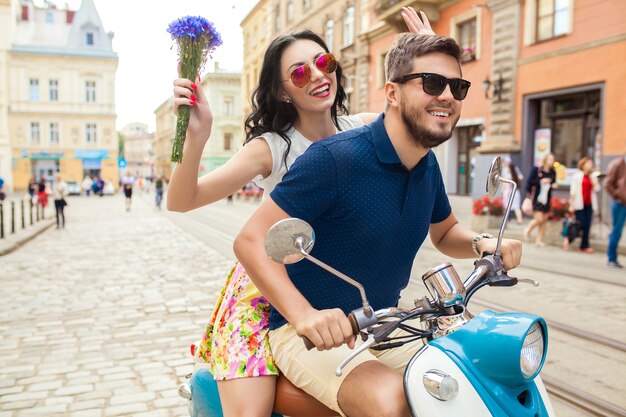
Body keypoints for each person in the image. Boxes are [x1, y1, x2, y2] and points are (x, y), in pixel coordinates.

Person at [233, 33, 522, 417]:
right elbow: (250, 240)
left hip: (388, 323)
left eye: (458, 86)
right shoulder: (335, 159)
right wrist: (305, 316)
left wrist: (483, 243)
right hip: (309, 335)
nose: (448, 96)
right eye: (432, 83)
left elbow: (445, 232)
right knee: (389, 400)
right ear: (392, 92)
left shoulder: (426, 163)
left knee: (479, 380)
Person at [167, 9, 433, 417]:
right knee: (251, 411)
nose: (318, 75)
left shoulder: (361, 127)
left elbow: (420, 120)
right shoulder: (272, 148)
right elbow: (182, 200)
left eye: (323, 63)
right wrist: (197, 137)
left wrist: (429, 62)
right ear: (283, 92)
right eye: (300, 73)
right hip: (266, 290)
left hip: (339, 288)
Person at [563, 157, 600, 252]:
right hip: (579, 204)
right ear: (583, 165)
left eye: (591, 164)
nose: (590, 165)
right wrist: (571, 204)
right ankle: (568, 238)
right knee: (580, 224)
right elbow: (573, 191)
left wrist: (594, 179)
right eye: (588, 163)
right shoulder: (577, 176)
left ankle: (584, 246)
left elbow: (597, 189)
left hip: (589, 204)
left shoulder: (593, 176)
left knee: (587, 225)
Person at [523, 153, 557, 246]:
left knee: (544, 220)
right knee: (539, 219)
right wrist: (540, 181)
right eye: (550, 159)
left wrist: (553, 185)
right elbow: (529, 182)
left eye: (553, 159)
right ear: (545, 160)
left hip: (547, 198)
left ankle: (539, 240)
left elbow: (553, 182)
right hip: (537, 198)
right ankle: (528, 229)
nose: (552, 161)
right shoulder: (537, 169)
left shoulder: (553, 171)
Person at [604, 154, 626, 268]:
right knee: (616, 231)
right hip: (620, 204)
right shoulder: (618, 163)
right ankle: (612, 258)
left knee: (618, 231)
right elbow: (608, 183)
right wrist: (617, 196)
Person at [501, 156, 523, 224]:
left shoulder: (508, 170)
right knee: (514, 206)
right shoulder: (514, 169)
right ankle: (519, 220)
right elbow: (521, 177)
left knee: (507, 205)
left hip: (510, 190)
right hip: (514, 190)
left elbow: (506, 181)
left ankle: (505, 220)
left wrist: (507, 190)